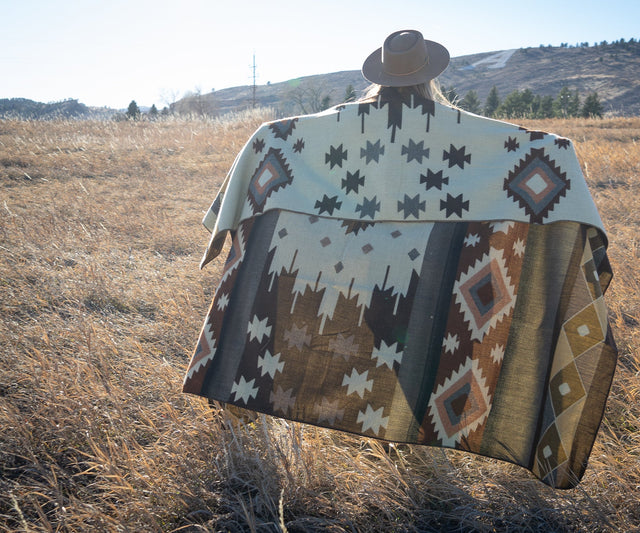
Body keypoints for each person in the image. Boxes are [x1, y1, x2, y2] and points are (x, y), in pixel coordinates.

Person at [183, 30, 617, 489]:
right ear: (430, 77)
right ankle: (407, 448)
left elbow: (271, 141)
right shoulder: (455, 130)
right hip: (414, 270)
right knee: (409, 340)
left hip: (343, 263)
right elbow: (514, 147)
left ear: (379, 76)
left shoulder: (335, 126)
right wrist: (557, 156)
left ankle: (238, 415)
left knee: (266, 302)